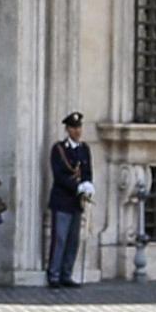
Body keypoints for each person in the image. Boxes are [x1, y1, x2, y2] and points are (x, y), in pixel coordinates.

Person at [44, 113, 93, 289]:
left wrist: (88, 185)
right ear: (67, 129)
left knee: (73, 240)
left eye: (79, 127)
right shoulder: (59, 149)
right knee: (60, 239)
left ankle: (67, 273)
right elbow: (59, 175)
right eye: (73, 128)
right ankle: (54, 274)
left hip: (76, 203)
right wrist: (77, 186)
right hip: (62, 200)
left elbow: (87, 172)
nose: (77, 131)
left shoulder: (84, 149)